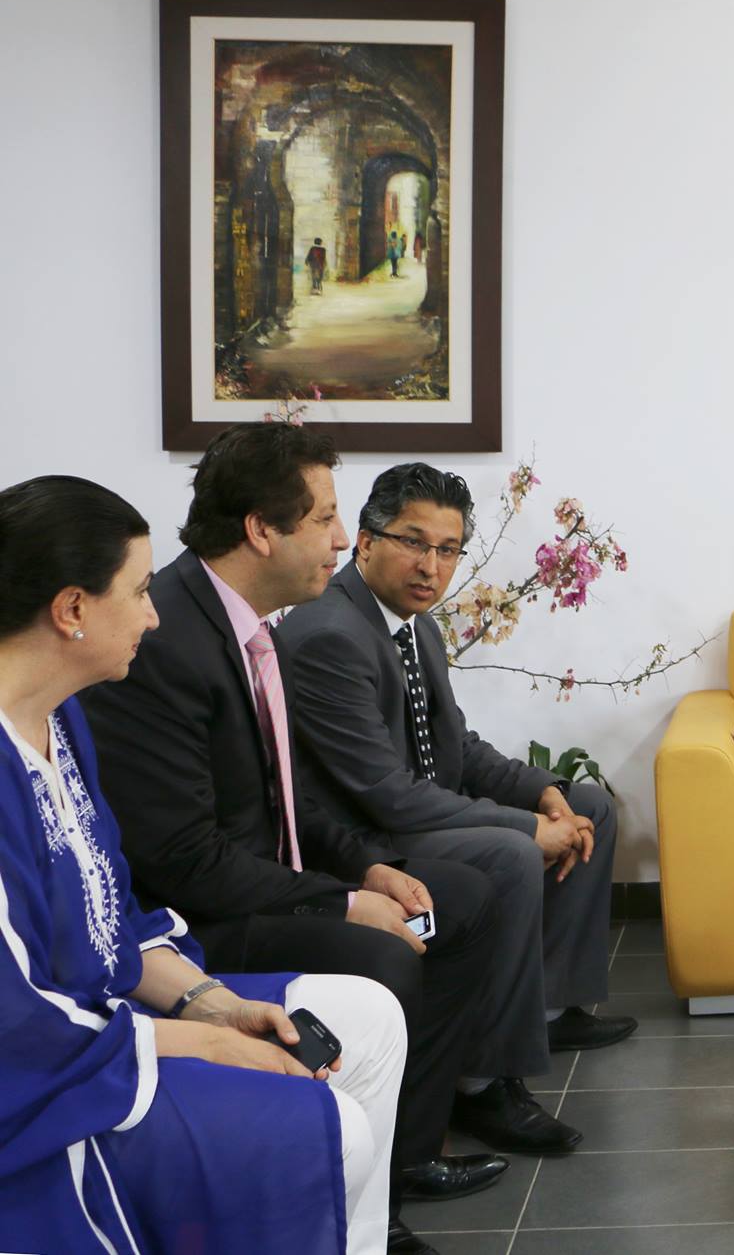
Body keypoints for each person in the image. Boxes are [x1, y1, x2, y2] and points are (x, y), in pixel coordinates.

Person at [81, 423, 508, 1255]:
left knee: (456, 899)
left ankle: (407, 1149)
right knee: (385, 953)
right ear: (260, 530)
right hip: (197, 917)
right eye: (324, 517)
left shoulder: (248, 623)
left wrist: (369, 868)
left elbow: (286, 797)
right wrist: (341, 902)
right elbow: (185, 860)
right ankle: (370, 1206)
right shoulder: (170, 642)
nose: (344, 538)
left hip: (259, 877)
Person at [0, 475, 406, 1255]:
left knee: (369, 1016)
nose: (154, 614)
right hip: (53, 1078)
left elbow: (112, 916)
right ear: (72, 608)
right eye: (139, 590)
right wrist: (208, 1042)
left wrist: (212, 1004)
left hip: (108, 1023)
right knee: (333, 1128)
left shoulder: (62, 720)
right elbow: (19, 1028)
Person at [282, 462, 637, 1153]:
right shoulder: (331, 634)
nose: (431, 566)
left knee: (590, 803)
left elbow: (458, 748)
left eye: (448, 549)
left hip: (415, 811)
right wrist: (528, 826)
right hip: (369, 838)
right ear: (365, 540)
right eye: (414, 542)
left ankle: (548, 1009)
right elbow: (388, 794)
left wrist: (543, 792)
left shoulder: (413, 625)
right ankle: (482, 1080)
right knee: (511, 852)